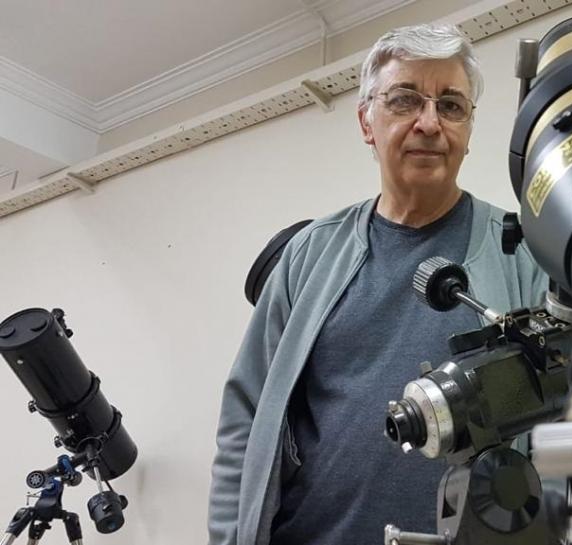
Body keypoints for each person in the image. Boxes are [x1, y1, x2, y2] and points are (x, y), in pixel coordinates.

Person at [207, 23, 547, 545]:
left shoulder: (522, 253)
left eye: (451, 106)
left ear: (469, 129)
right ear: (368, 120)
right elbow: (246, 419)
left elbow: (563, 425)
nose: (430, 123)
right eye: (405, 100)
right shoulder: (309, 255)